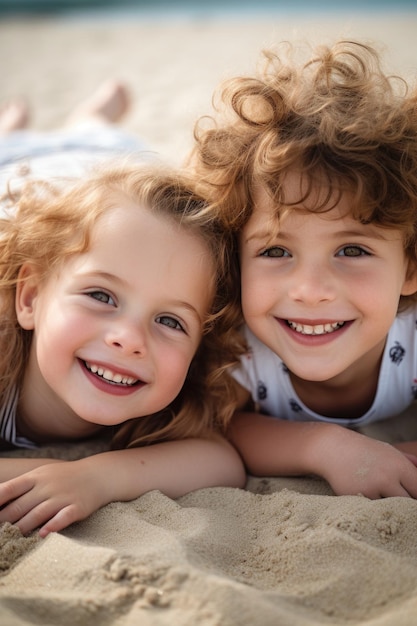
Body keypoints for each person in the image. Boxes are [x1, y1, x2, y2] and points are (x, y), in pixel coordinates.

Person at [0, 87, 246, 537]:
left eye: (170, 321)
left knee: (107, 141)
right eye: (101, 296)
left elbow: (220, 461)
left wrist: (96, 477)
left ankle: (93, 119)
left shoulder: (164, 406)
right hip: (22, 179)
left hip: (117, 171)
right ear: (31, 298)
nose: (129, 338)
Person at [191, 39, 417, 499]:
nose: (310, 290)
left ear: (411, 267)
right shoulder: (236, 348)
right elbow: (222, 427)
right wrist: (324, 446)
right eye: (275, 252)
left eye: (352, 251)